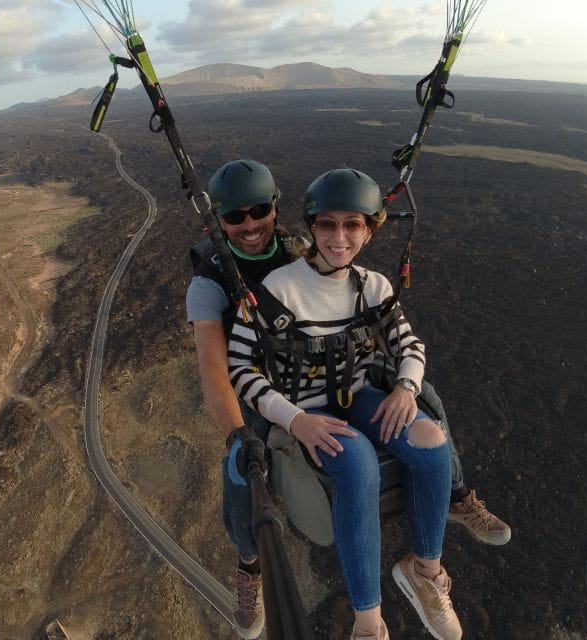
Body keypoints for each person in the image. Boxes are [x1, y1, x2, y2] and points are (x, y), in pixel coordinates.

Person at [186, 160, 509, 639]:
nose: (248, 225)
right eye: (235, 217)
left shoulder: (360, 279)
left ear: (276, 211)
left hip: (350, 388)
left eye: (258, 212)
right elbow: (224, 366)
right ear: (220, 221)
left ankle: (434, 550)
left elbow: (407, 343)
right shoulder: (229, 285)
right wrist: (281, 423)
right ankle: (262, 570)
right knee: (245, 464)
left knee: (430, 424)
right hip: (292, 399)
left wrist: (406, 387)